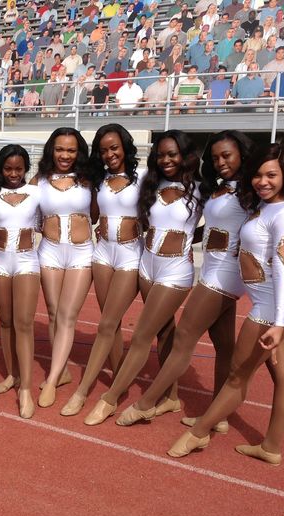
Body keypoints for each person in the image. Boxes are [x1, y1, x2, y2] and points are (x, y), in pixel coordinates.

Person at [168, 143, 284, 465]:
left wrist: (277, 323)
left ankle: (198, 433)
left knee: (237, 374)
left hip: (273, 305)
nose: (263, 181)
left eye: (272, 175)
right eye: (258, 175)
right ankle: (271, 447)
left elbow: (283, 265)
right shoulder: (264, 207)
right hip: (279, 302)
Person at [84, 131, 206, 425]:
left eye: (173, 154)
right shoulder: (151, 184)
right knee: (164, 332)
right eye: (161, 154)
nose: (166, 160)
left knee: (141, 335)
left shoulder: (202, 189)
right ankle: (172, 397)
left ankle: (110, 398)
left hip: (176, 271)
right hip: (146, 265)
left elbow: (219, 225)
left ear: (186, 156)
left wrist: (188, 240)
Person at [60, 125, 143, 416]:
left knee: (106, 324)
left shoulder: (143, 178)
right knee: (114, 325)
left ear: (125, 146)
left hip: (131, 255)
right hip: (103, 253)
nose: (110, 154)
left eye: (114, 148)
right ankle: (120, 379)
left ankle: (84, 392)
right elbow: (90, 213)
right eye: (104, 149)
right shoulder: (99, 180)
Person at [35, 128, 96, 408]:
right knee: (52, 312)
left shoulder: (88, 180)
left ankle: (51, 379)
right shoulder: (39, 181)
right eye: (60, 149)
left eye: (71, 150)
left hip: (81, 253)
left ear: (79, 153)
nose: (65, 155)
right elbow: (30, 215)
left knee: (68, 316)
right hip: (49, 250)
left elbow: (96, 213)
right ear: (51, 150)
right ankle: (63, 371)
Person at [0, 145, 41, 418]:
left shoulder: (35, 191)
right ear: (0, 168)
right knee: (5, 321)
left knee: (24, 323)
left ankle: (26, 389)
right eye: (8, 168)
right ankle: (11, 374)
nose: (13, 174)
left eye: (19, 169)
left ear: (26, 168)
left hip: (27, 262)